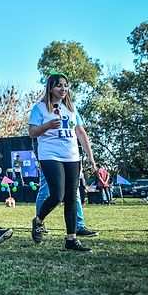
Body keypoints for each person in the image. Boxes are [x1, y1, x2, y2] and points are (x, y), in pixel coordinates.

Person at [29, 73, 97, 252]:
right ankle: (38, 220)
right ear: (50, 88)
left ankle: (71, 239)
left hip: (72, 156)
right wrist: (47, 126)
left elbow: (81, 133)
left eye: (66, 85)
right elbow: (32, 132)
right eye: (59, 85)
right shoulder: (40, 108)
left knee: (71, 197)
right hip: (50, 155)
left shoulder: (72, 108)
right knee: (57, 195)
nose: (63, 89)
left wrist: (91, 158)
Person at [36, 170, 98, 237]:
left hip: (71, 160)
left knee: (74, 192)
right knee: (46, 191)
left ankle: (79, 226)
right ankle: (38, 224)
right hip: (49, 161)